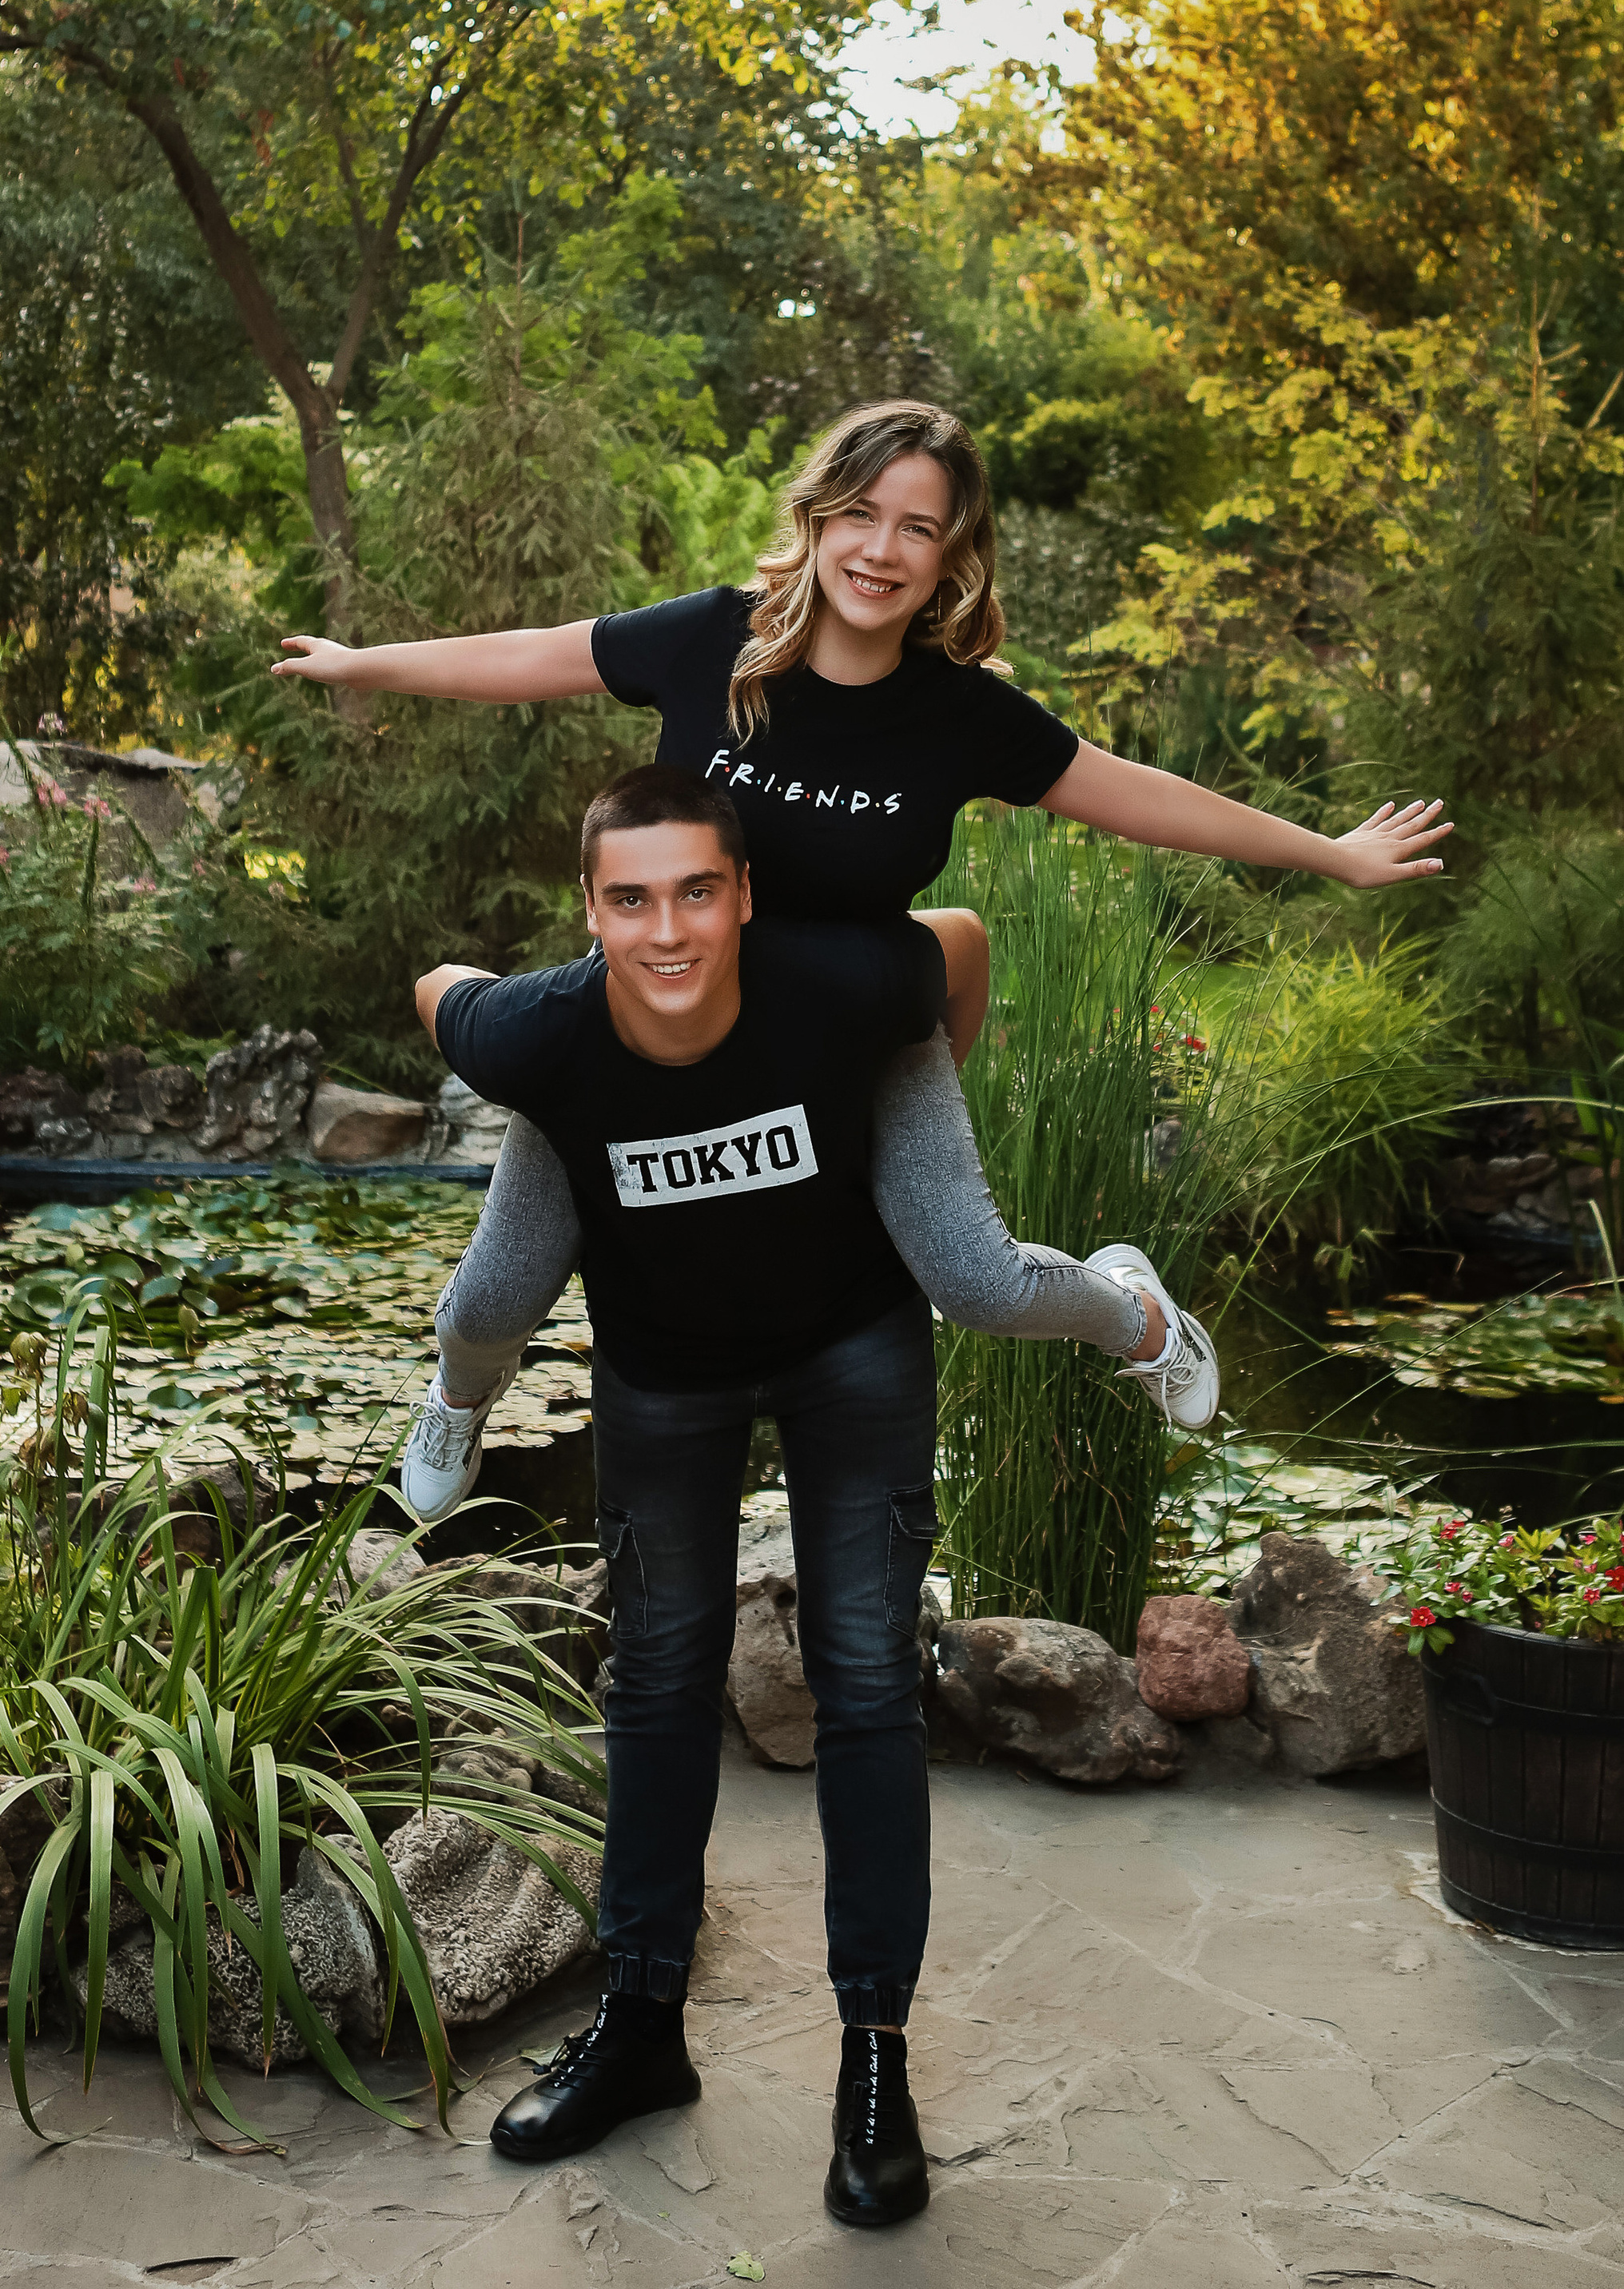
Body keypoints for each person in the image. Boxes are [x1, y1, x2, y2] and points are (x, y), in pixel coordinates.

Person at [277, 396, 1450, 1512]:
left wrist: (1327, 853)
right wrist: (359, 663)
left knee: (979, 1284)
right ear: (820, 518)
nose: (882, 548)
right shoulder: (712, 641)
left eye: (918, 526)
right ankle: (454, 1401)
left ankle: (1133, 1312)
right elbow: (537, 656)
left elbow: (1139, 797)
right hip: (662, 1008)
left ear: (954, 554)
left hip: (857, 1023)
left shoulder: (962, 715)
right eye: (861, 514)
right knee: (489, 1301)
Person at [416, 762, 956, 2225]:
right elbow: (435, 988)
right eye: (632, 898)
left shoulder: (841, 984)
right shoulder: (539, 1028)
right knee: (654, 1678)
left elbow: (957, 950)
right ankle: (642, 2028)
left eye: (699, 892)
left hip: (855, 1349)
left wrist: (920, 1117)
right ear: (587, 913)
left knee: (864, 1680)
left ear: (747, 896)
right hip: (664, 1372)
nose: (669, 931)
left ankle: (874, 2061)